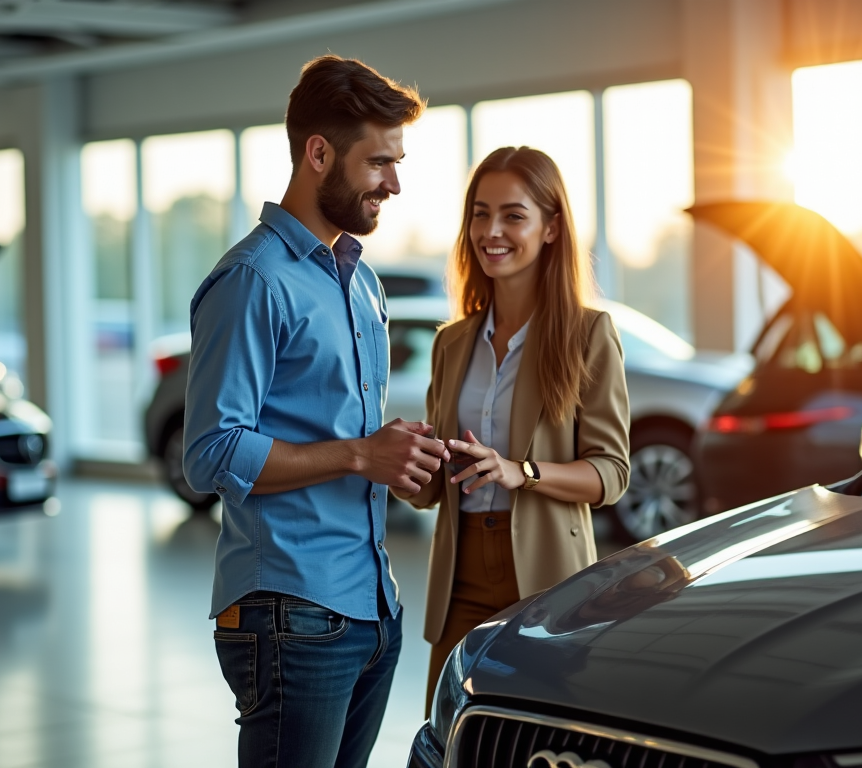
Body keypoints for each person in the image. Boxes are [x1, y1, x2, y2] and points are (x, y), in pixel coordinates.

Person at [183, 55, 447, 768]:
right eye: (379, 163)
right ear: (319, 154)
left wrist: (407, 463)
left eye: (397, 163)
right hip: (290, 614)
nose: (394, 183)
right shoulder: (252, 280)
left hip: (372, 607)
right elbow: (209, 453)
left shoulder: (361, 283)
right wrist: (361, 454)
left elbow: (350, 443)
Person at [393, 147, 631, 713]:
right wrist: (403, 467)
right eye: (480, 214)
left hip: (550, 580)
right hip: (460, 578)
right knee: (451, 733)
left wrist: (520, 471)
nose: (491, 231)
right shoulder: (451, 343)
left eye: (512, 215)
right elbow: (433, 490)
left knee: (536, 733)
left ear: (551, 228)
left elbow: (611, 474)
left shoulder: (588, 334)